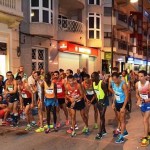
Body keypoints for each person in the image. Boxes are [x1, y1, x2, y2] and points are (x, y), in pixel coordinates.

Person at [111, 72, 129, 143]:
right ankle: (124, 131)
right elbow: (115, 94)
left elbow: (127, 96)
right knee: (119, 118)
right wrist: (113, 103)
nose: (114, 81)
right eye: (113, 79)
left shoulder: (123, 84)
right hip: (117, 103)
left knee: (122, 120)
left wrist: (124, 107)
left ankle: (121, 137)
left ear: (119, 78)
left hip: (123, 103)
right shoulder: (113, 83)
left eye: (115, 79)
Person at [91, 72, 108, 140]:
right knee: (102, 116)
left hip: (104, 101)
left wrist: (102, 101)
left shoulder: (102, 83)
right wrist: (97, 100)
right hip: (98, 101)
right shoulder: (93, 83)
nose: (91, 78)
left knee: (101, 116)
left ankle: (100, 133)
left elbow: (106, 93)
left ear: (97, 77)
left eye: (93, 77)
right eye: (91, 77)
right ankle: (104, 130)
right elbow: (95, 93)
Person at [135, 70, 150, 147]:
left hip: (148, 103)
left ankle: (145, 137)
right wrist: (138, 99)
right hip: (142, 104)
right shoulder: (137, 84)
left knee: (145, 120)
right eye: (138, 76)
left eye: (141, 76)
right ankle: (148, 134)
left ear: (145, 76)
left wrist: (144, 100)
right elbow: (137, 94)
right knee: (146, 120)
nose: (139, 78)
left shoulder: (148, 84)